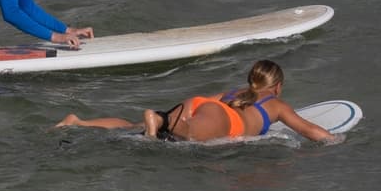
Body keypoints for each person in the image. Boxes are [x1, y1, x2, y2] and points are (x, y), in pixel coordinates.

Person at [55, 59, 342, 145]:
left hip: (202, 104)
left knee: (134, 126)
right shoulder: (277, 105)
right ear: (277, 86)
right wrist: (336, 140)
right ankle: (160, 120)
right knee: (188, 135)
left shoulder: (238, 92)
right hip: (224, 121)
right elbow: (309, 131)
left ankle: (78, 122)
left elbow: (209, 103)